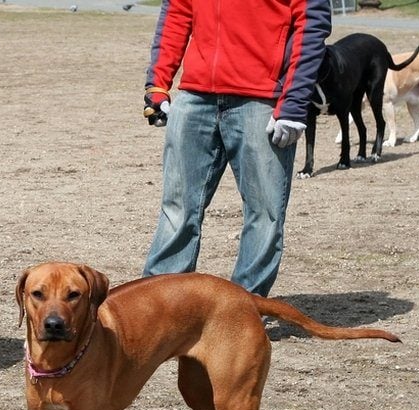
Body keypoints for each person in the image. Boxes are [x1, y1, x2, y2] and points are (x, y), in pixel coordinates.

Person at [141, 0, 332, 297]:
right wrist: (158, 83)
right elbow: (177, 11)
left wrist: (294, 103)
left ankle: (243, 311)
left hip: (261, 100)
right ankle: (158, 306)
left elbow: (311, 25)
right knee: (177, 208)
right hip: (195, 95)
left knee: (264, 213)